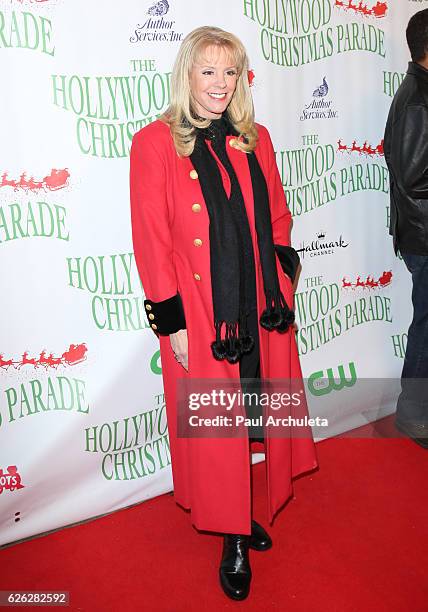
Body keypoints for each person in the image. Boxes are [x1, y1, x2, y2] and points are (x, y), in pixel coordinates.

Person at [130, 26, 317, 600]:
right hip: (204, 318)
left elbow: (278, 216)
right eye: (207, 70)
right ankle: (232, 535)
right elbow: (152, 239)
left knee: (254, 418)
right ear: (187, 74)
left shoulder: (253, 138)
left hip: (261, 311)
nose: (219, 83)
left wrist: (280, 277)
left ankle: (249, 511)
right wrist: (174, 322)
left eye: (229, 71)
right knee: (216, 430)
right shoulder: (156, 143)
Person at [384, 9, 428, 449]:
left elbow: (388, 151)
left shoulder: (418, 90)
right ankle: (413, 416)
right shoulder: (417, 97)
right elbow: (413, 174)